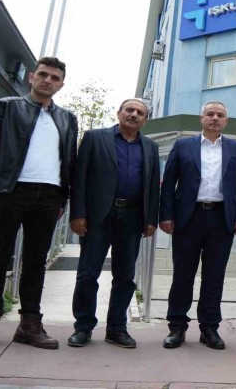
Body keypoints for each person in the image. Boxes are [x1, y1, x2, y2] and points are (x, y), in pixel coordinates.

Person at [0, 57, 77, 350]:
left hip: (49, 196)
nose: (48, 81)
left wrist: (63, 198)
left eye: (55, 78)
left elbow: (69, 162)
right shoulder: (7, 106)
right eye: (43, 74)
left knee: (36, 262)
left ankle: (29, 325)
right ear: (31, 77)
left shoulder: (67, 118)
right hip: (8, 191)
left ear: (61, 84)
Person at [67, 99, 160, 349]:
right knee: (88, 273)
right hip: (98, 216)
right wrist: (78, 213)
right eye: (129, 110)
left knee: (125, 276)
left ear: (145, 120)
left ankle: (117, 328)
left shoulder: (150, 147)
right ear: (119, 113)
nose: (134, 114)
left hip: (132, 217)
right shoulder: (95, 138)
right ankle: (83, 327)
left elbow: (153, 185)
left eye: (140, 113)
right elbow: (79, 177)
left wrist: (151, 218)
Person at [159, 101, 236, 350]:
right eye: (210, 114)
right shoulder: (183, 146)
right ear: (201, 118)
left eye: (220, 115)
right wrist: (166, 215)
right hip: (188, 219)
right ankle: (177, 327)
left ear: (226, 121)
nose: (215, 118)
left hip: (222, 220)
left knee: (214, 277)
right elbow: (168, 183)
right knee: (182, 275)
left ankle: (209, 328)